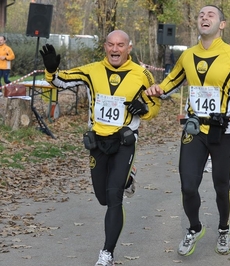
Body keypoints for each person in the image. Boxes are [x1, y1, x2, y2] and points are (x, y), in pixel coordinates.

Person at [145, 5, 230, 256]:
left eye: (211, 15)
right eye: (201, 15)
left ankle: (224, 229)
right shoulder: (188, 55)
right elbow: (169, 84)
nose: (205, 17)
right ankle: (194, 228)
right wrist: (156, 89)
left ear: (221, 25)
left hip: (223, 131)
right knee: (188, 186)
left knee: (221, 186)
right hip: (194, 129)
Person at [39, 30, 160, 266]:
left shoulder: (142, 74)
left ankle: (107, 253)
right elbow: (57, 81)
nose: (115, 50)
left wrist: (143, 109)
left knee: (114, 198)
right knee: (102, 198)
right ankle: (127, 180)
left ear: (129, 48)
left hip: (125, 141)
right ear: (105, 46)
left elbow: (154, 107)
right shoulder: (91, 70)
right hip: (98, 142)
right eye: (111, 45)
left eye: (120, 45)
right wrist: (51, 70)